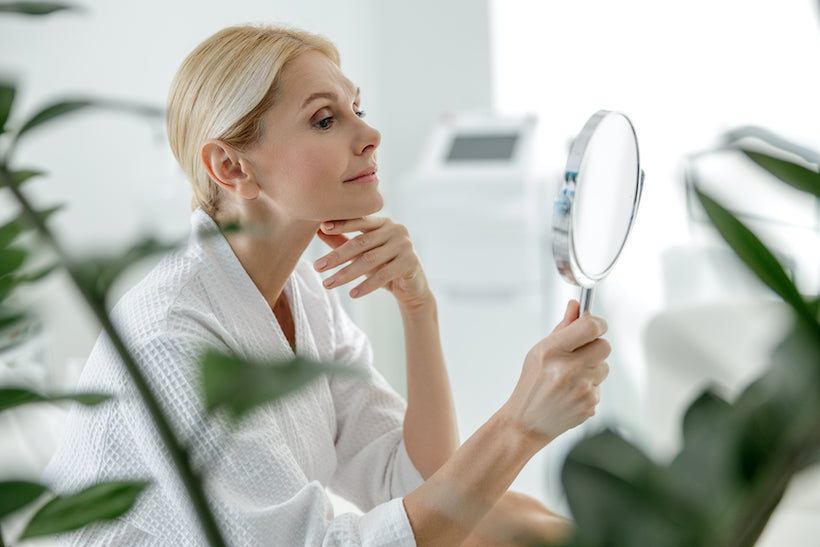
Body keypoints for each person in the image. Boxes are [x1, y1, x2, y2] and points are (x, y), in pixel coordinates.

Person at [43, 24, 610, 546]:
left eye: (356, 108)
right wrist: (519, 424)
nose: (370, 134)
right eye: (324, 119)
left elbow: (412, 480)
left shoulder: (302, 291)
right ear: (232, 167)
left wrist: (419, 308)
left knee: (513, 517)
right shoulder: (173, 341)